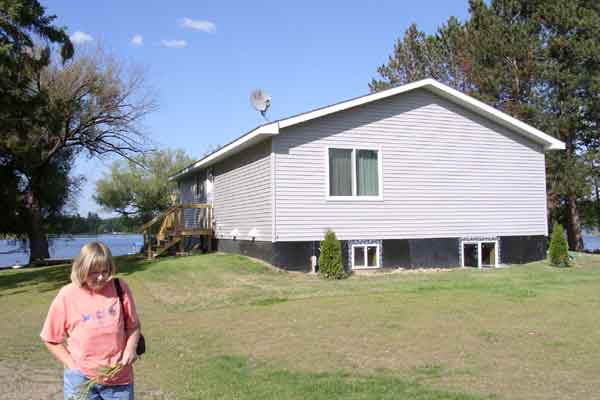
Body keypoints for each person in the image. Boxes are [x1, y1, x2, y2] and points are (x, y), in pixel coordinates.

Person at [40, 241, 140, 400]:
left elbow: (133, 326)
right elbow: (50, 339)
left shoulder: (120, 287)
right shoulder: (67, 295)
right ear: (82, 269)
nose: (101, 277)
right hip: (80, 382)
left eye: (105, 271)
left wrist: (130, 348)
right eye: (94, 272)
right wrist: (73, 367)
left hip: (118, 381)